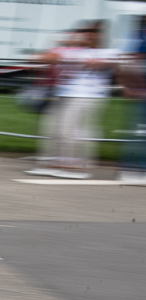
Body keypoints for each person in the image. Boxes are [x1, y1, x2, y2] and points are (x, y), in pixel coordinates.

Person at [26, 21, 122, 179]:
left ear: (101, 35)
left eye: (93, 32)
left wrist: (93, 63)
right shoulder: (76, 51)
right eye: (85, 32)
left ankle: (77, 167)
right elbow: (47, 58)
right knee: (52, 129)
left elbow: (107, 65)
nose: (88, 35)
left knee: (71, 131)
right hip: (65, 94)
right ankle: (52, 162)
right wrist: (50, 53)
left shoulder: (109, 52)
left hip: (89, 95)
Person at [119, 18, 146, 183]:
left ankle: (133, 168)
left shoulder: (138, 37)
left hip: (139, 90)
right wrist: (130, 86)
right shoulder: (139, 38)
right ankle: (133, 168)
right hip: (141, 92)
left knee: (138, 132)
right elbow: (130, 61)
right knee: (138, 132)